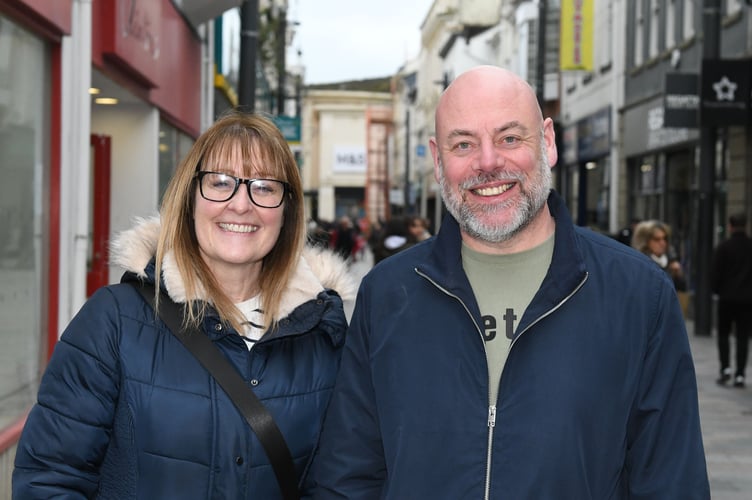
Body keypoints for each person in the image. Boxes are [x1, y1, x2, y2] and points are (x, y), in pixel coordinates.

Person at [307, 66, 709, 498]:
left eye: (510, 138)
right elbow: (346, 478)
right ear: (438, 160)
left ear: (548, 141)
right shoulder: (387, 294)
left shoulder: (639, 295)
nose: (488, 162)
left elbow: (671, 482)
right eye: (463, 144)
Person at [13, 111, 356, 498]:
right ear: (189, 198)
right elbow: (49, 479)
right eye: (221, 182)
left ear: (287, 210)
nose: (241, 204)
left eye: (263, 187)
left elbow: (341, 483)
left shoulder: (324, 333)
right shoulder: (113, 322)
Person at [711, 212, 752, 388]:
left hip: (727, 298)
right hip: (747, 299)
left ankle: (725, 368)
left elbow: (716, 273)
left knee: (723, 333)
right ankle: (740, 373)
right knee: (743, 336)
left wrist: (717, 290)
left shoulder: (723, 247)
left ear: (730, 225)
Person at [631, 219, 687, 293]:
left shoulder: (671, 261)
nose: (662, 243)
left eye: (664, 239)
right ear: (645, 241)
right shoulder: (640, 263)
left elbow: (681, 291)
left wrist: (677, 275)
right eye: (657, 239)